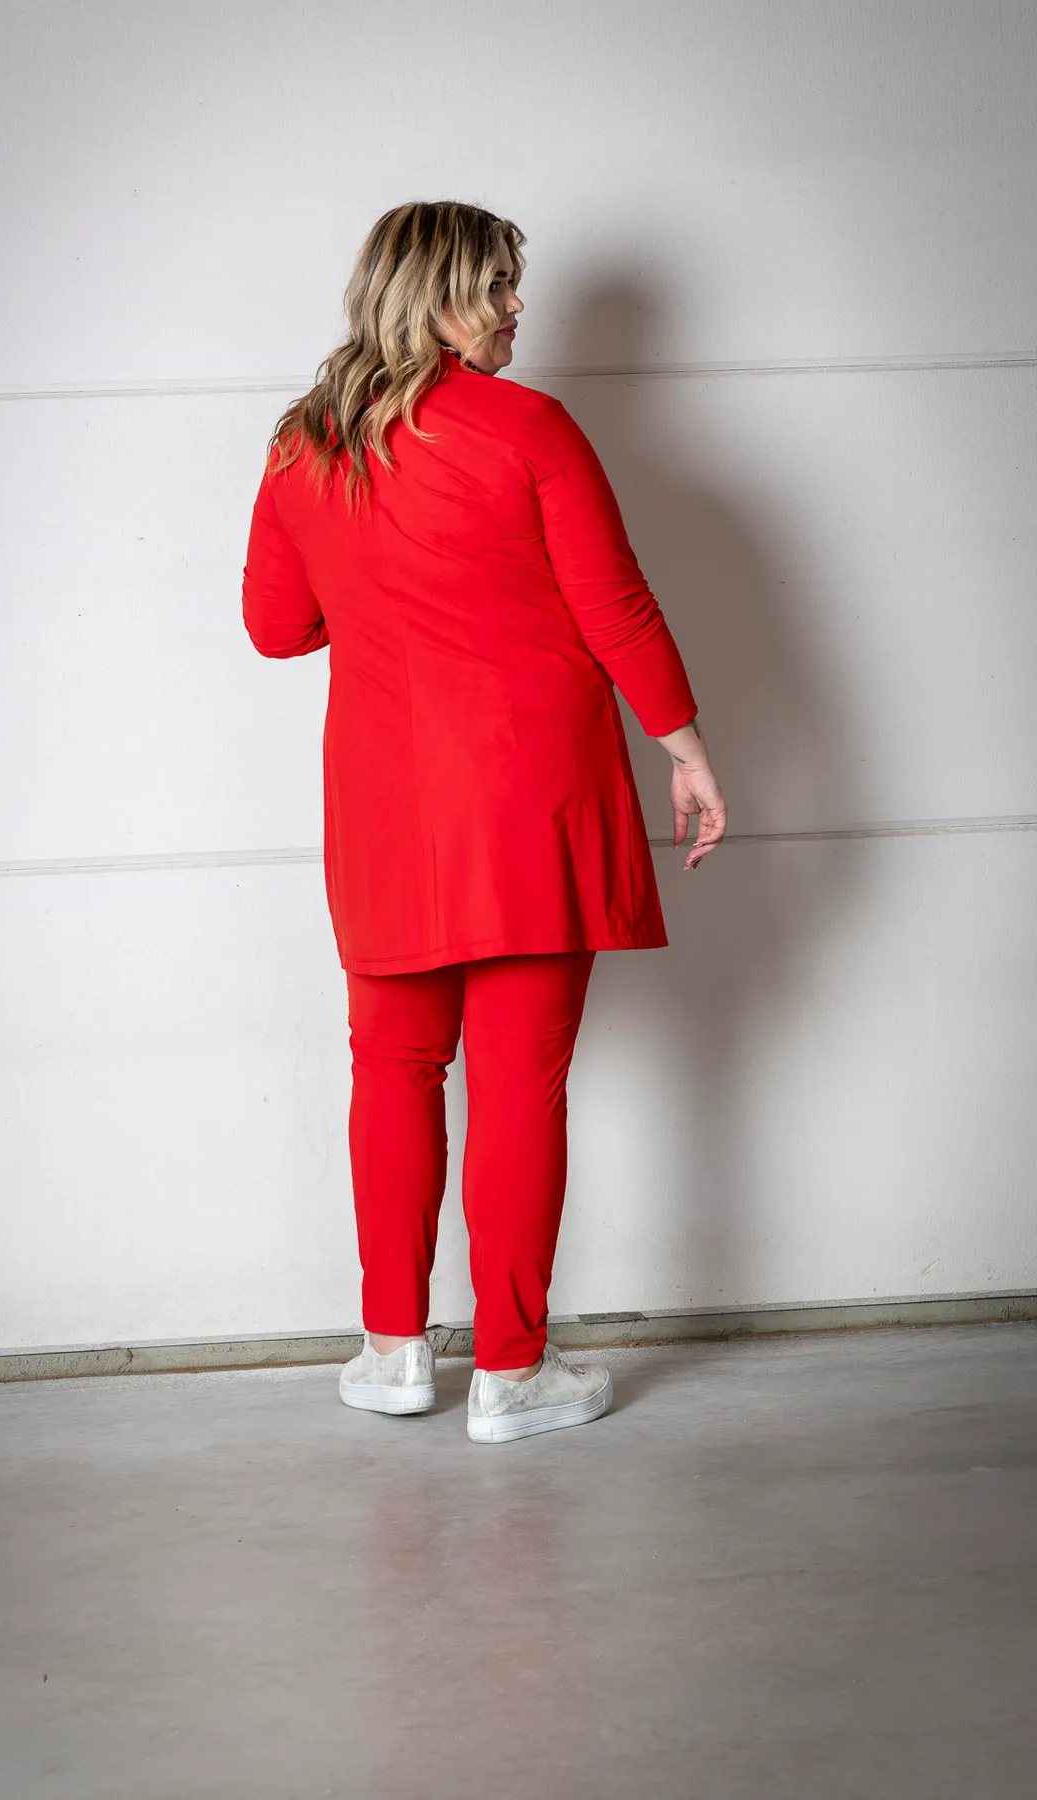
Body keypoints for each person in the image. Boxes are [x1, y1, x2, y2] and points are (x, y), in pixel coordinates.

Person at [242, 200, 725, 1444]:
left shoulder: (304, 445)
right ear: (438, 296)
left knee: (392, 1069)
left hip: (385, 809)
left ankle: (393, 1353)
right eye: (499, 286)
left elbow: (277, 628)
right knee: (518, 1084)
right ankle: (512, 1375)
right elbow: (615, 605)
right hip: (530, 796)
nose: (519, 307)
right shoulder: (529, 428)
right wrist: (684, 749)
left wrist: (378, 588)